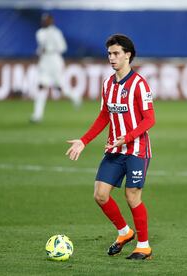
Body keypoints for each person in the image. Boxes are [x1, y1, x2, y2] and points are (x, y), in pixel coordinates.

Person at [65, 34, 155, 260]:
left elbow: (149, 119)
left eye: (116, 54)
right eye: (109, 54)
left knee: (132, 196)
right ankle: (125, 232)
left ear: (128, 55)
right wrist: (83, 140)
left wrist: (128, 137)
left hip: (136, 150)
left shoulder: (139, 84)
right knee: (100, 195)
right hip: (115, 150)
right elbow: (104, 116)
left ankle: (143, 246)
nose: (112, 58)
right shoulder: (107, 84)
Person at [30, 14, 81, 123]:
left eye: (46, 20)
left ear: (51, 21)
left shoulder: (56, 33)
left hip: (55, 61)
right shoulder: (39, 33)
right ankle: (37, 115)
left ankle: (74, 96)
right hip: (44, 62)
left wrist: (50, 48)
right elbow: (40, 47)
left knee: (59, 88)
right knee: (41, 86)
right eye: (43, 20)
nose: (44, 22)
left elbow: (63, 47)